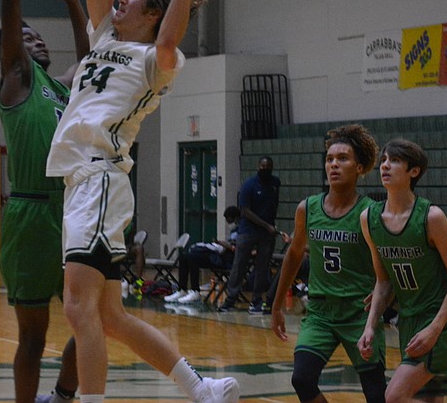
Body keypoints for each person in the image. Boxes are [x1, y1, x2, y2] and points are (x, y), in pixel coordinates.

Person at [45, 0, 234, 403]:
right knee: (109, 316)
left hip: (100, 180)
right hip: (83, 185)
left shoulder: (156, 61)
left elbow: (170, 37)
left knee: (77, 310)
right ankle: (202, 389)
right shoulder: (105, 36)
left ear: (152, 14)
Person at [0, 0, 90, 403]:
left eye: (34, 32)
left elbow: (91, 64)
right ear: (9, 52)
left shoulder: (59, 86)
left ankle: (64, 397)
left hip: (72, 212)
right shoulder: (17, 80)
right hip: (30, 215)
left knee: (89, 321)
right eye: (21, 35)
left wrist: (73, 1)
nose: (31, 36)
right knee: (34, 336)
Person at [270, 124, 387, 403]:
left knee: (376, 394)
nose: (333, 164)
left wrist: (385, 300)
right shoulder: (307, 208)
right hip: (320, 312)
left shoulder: (371, 212)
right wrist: (275, 305)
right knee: (302, 379)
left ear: (359, 168)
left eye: (342, 158)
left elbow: (388, 267)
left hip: (359, 312)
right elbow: (295, 254)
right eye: (329, 159)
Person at [358, 139, 447, 402]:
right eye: (384, 159)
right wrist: (370, 325)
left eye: (394, 160)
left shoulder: (431, 217)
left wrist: (435, 328)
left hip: (442, 321)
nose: (385, 165)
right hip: (409, 321)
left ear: (414, 171)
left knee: (394, 397)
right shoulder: (369, 219)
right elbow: (383, 282)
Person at [219, 156, 285, 313]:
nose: (265, 169)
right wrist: (266, 225)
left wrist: (272, 225)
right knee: (239, 264)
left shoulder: (275, 183)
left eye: (268, 167)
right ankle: (230, 300)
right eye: (263, 166)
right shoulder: (248, 185)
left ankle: (256, 300)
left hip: (267, 232)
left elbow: (274, 204)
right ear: (257, 167)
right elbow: (245, 211)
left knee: (262, 267)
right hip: (248, 230)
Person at [164, 206, 240, 304]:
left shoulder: (243, 231)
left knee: (192, 258)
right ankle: (182, 289)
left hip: (227, 261)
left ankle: (195, 291)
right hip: (220, 255)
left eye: (229, 220)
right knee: (184, 257)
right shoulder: (234, 231)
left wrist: (227, 246)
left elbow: (241, 249)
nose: (228, 223)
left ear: (236, 218)